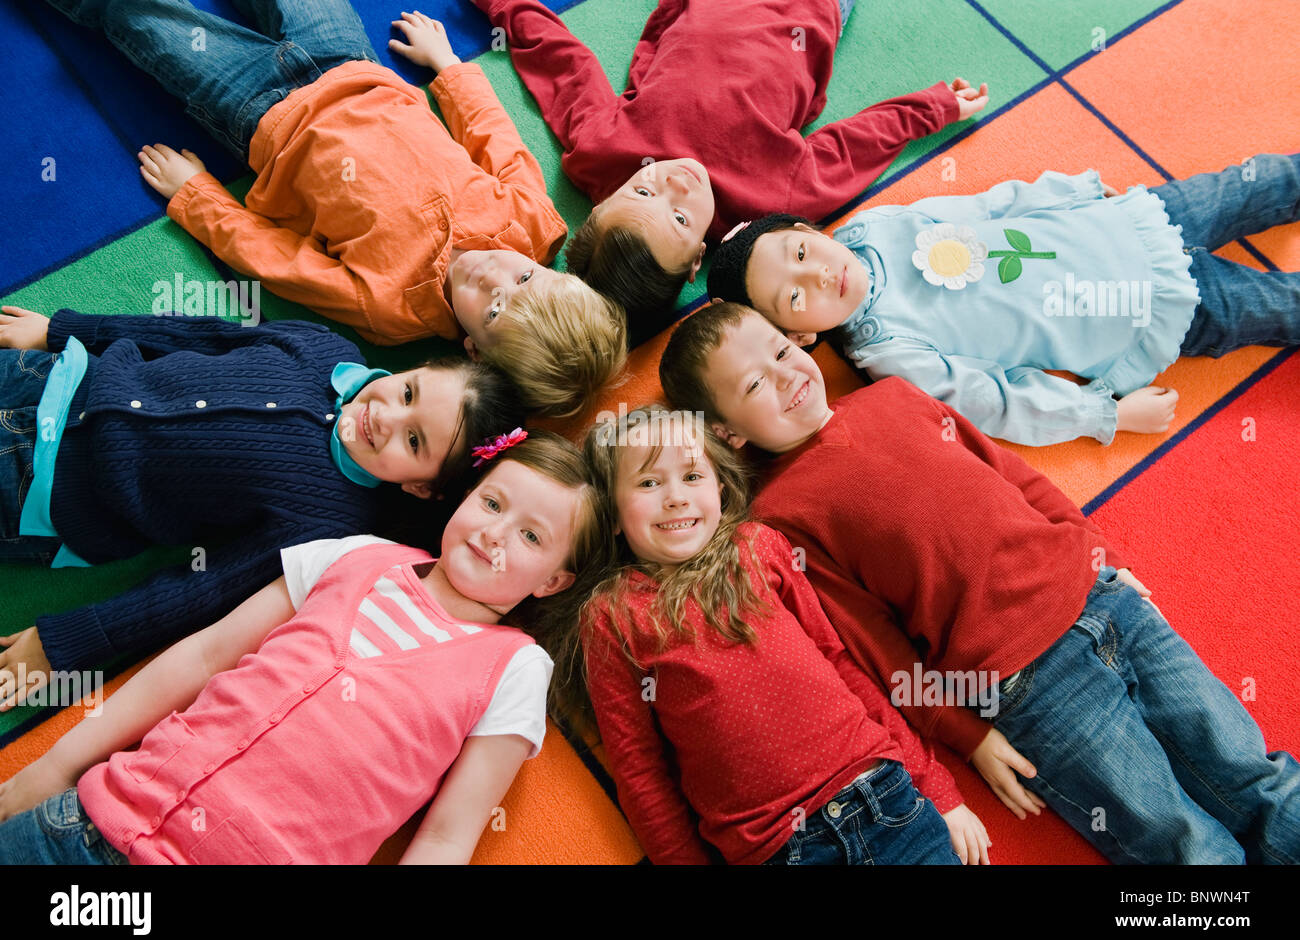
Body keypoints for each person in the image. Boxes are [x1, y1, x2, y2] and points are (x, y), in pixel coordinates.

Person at [657, 302, 1300, 863]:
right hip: (1027, 685)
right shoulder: (780, 516)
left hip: (1105, 599)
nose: (785, 376)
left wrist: (1106, 554)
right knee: (1181, 842)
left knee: (1258, 777)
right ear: (728, 432)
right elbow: (874, 647)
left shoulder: (895, 396)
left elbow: (1011, 475)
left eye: (778, 350)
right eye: (753, 384)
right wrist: (970, 736)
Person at [0, 429, 607, 864]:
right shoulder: (352, 554)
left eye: (531, 535)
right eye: (492, 503)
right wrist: (55, 765)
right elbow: (204, 655)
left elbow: (448, 837)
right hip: (90, 826)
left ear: (554, 581)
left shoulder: (515, 667)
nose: (494, 533)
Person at [45, 1, 625, 417]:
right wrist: (448, 65)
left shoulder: (392, 310)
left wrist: (198, 196)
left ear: (472, 348)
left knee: (137, 16)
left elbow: (277, 260)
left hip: (259, 111)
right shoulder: (532, 221)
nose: (493, 273)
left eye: (493, 310)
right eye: (524, 275)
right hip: (352, 64)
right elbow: (493, 136)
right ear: (550, 266)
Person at [0, 303, 518, 707]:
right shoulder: (323, 349)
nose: (387, 418)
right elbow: (202, 335)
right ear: (417, 368)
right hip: (56, 376)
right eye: (408, 393)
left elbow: (202, 590)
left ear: (420, 488)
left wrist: (66, 644)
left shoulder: (330, 524)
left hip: (42, 489)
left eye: (414, 442)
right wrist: (64, 330)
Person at [572, 404, 989, 864]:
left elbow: (840, 662)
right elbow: (641, 771)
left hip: (886, 800)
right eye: (649, 483)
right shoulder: (612, 615)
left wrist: (937, 787)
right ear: (611, 515)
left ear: (721, 488)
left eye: (692, 476)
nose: (675, 497)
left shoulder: (756, 546)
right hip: (780, 850)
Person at [472, 0, 987, 345]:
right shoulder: (769, 204)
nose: (675, 181)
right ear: (699, 255)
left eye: (644, 187)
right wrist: (935, 107)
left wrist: (504, 8)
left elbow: (565, 65)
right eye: (678, 218)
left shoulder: (601, 151)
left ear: (605, 198)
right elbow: (852, 146)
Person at [706, 155, 1300, 445]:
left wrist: (1074, 191)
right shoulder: (890, 351)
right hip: (1143, 315)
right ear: (801, 337)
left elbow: (987, 206)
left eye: (801, 254)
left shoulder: (873, 227)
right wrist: (1104, 414)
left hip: (1129, 224)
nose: (815, 277)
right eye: (794, 296)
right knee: (1279, 306)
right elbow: (995, 401)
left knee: (1260, 181)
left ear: (809, 232)